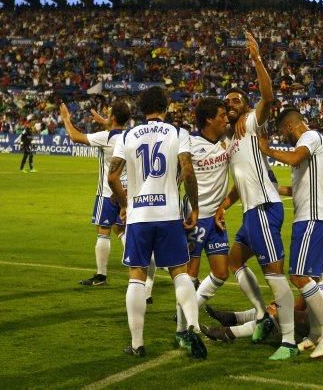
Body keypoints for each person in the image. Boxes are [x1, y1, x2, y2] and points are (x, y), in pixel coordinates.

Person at [214, 31, 298, 361]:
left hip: (264, 209)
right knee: (234, 261)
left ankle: (288, 341)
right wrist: (224, 204)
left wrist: (257, 59)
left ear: (245, 107)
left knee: (274, 273)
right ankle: (263, 314)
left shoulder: (252, 122)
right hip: (250, 212)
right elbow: (239, 183)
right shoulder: (230, 141)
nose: (230, 105)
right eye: (227, 103)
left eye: (235, 100)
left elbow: (269, 95)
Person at [108, 85, 206, 359]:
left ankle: (137, 343)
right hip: (168, 214)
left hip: (139, 216)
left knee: (137, 277)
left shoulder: (126, 136)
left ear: (142, 109)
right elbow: (187, 170)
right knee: (180, 272)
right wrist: (194, 208)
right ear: (166, 107)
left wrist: (126, 204)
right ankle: (193, 327)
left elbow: (112, 178)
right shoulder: (178, 133)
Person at [257, 107, 323, 358]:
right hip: (314, 216)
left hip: (311, 217)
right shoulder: (307, 150)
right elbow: (295, 190)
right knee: (312, 279)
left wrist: (267, 150)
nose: (285, 138)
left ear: (289, 127)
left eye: (284, 133)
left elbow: (293, 158)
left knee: (298, 276)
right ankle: (316, 334)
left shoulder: (310, 137)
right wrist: (271, 189)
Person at [203, 253, 323, 348]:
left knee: (281, 313)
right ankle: (234, 317)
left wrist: (278, 310)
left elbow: (302, 307)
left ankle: (229, 332)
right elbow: (307, 301)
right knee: (281, 308)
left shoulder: (316, 268)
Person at [174, 97, 231, 334]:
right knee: (190, 274)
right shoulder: (191, 144)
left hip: (216, 218)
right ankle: (186, 326)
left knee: (221, 272)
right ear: (208, 119)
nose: (226, 119)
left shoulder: (227, 141)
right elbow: (177, 177)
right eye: (221, 115)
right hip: (194, 217)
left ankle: (190, 312)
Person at [59, 101, 130, 287]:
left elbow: (75, 137)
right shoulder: (130, 136)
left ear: (113, 117)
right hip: (126, 193)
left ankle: (101, 276)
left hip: (107, 193)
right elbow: (116, 129)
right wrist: (104, 121)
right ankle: (141, 267)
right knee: (121, 229)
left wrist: (66, 119)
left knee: (103, 231)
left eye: (110, 113)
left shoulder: (105, 137)